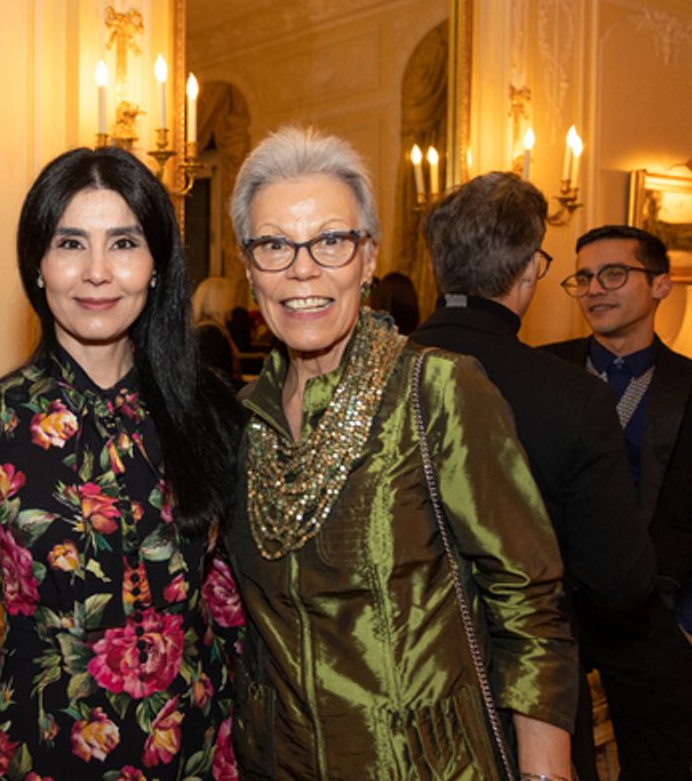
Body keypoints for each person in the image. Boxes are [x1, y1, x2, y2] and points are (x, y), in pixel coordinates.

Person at [224, 125, 578, 779]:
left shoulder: (440, 389)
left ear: (367, 257)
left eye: (331, 240)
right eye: (275, 245)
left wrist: (546, 767)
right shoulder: (238, 420)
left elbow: (528, 600)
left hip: (426, 764)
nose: (304, 268)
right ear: (250, 269)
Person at [0, 147, 242, 780]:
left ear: (156, 266)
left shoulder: (212, 415)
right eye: (69, 244)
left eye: (123, 243)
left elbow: (229, 620)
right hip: (43, 757)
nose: (96, 272)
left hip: (195, 757)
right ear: (37, 265)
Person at [413, 173, 655, 780]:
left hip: (399, 688)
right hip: (529, 702)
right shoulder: (571, 396)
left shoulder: (374, 379)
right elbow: (621, 580)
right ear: (526, 271)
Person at [545, 224, 692, 780]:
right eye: (582, 278)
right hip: (551, 610)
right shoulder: (541, 370)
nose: (594, 289)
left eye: (614, 274)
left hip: (651, 613)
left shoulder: (687, 385)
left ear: (660, 285)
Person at [193, 276, 242, 386]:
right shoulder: (211, 334)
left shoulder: (206, 330)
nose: (234, 304)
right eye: (232, 299)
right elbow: (218, 381)